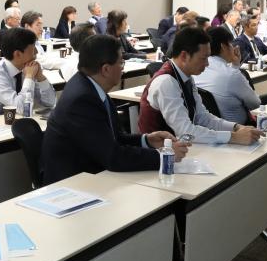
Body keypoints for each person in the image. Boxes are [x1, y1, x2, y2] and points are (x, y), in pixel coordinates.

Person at [41, 34, 188, 184]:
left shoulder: (91, 87)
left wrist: (147, 140)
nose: (123, 68)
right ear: (105, 69)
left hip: (91, 173)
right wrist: (164, 157)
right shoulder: (82, 100)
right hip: (73, 183)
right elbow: (113, 157)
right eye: (121, 63)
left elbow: (114, 138)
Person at [138, 26, 260, 145]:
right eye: (203, 58)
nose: (207, 64)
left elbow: (202, 118)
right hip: (160, 152)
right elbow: (185, 131)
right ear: (184, 56)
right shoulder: (166, 82)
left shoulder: (186, 77)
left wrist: (236, 127)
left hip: (179, 147)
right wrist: (233, 137)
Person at [0, 27, 55, 119]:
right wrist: (29, 77)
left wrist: (40, 77)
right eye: (32, 49)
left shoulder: (27, 68)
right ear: (18, 54)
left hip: (11, 120)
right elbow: (22, 109)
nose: (36, 52)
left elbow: (50, 102)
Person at [194, 27, 262, 124]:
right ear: (223, 46)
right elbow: (255, 104)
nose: (233, 47)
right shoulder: (231, 75)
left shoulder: (198, 68)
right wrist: (235, 68)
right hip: (239, 127)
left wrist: (235, 65)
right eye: (230, 44)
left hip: (209, 125)